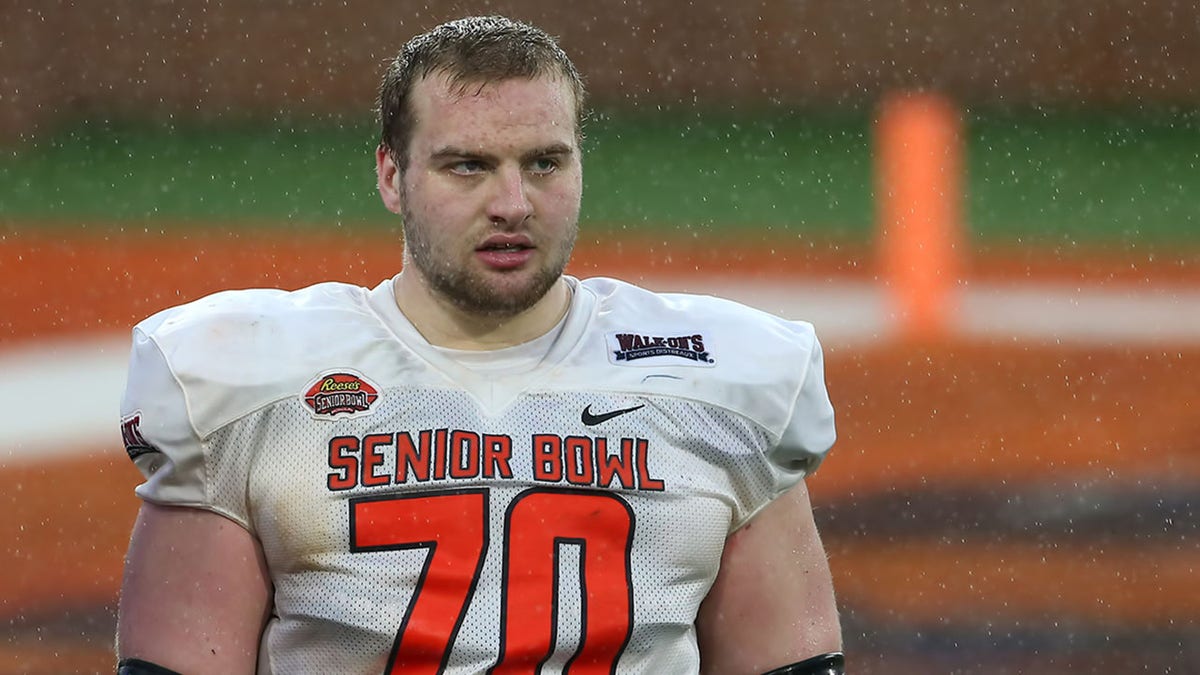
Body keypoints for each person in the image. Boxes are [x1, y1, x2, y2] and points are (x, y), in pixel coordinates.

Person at [115, 15, 843, 675]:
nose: (513, 204)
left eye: (544, 163)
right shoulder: (249, 391)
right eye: (468, 165)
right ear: (391, 175)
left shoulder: (724, 387)